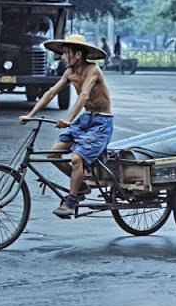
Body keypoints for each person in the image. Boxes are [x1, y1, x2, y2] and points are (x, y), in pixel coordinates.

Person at [19, 34, 113, 217]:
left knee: (77, 159)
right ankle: (81, 186)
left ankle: (71, 201)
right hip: (85, 120)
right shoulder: (69, 72)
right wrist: (30, 115)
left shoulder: (93, 70)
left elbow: (84, 95)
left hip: (101, 122)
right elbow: (51, 93)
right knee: (53, 154)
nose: (62, 57)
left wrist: (69, 119)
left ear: (77, 55)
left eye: (65, 53)